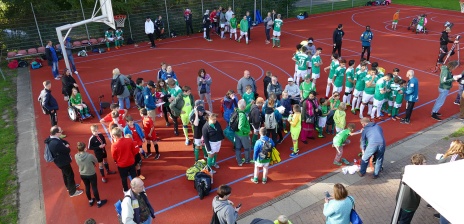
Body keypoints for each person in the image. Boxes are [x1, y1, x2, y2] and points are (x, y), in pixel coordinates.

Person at [45, 126, 83, 197]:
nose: (61, 132)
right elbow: (66, 150)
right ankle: (72, 192)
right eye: (60, 131)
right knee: (70, 175)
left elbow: (63, 141)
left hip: (60, 161)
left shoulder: (52, 139)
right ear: (56, 133)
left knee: (65, 174)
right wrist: (67, 147)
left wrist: (65, 145)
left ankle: (69, 186)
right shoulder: (56, 144)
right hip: (63, 161)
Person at [394, 154, 426, 224]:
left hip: (400, 199)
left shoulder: (405, 169)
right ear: (419, 163)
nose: (426, 164)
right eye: (424, 162)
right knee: (405, 221)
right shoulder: (421, 176)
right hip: (410, 204)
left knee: (396, 217)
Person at [75, 142, 108, 207]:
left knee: (87, 187)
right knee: (94, 187)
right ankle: (99, 202)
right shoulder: (89, 156)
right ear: (84, 149)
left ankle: (90, 201)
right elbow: (96, 161)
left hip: (82, 174)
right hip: (91, 173)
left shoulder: (76, 156)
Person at [110, 127, 138, 192]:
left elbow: (114, 156)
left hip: (122, 165)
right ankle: (136, 188)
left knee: (124, 178)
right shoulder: (129, 140)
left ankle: (125, 190)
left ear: (115, 136)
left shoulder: (114, 145)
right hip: (131, 162)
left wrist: (117, 161)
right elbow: (134, 151)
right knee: (134, 175)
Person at [234, 99, 252, 166]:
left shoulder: (237, 110)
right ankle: (247, 160)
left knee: (238, 148)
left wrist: (250, 104)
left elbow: (244, 108)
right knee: (247, 148)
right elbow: (240, 127)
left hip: (237, 133)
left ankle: (239, 161)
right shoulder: (243, 115)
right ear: (243, 107)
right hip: (243, 134)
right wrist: (248, 131)